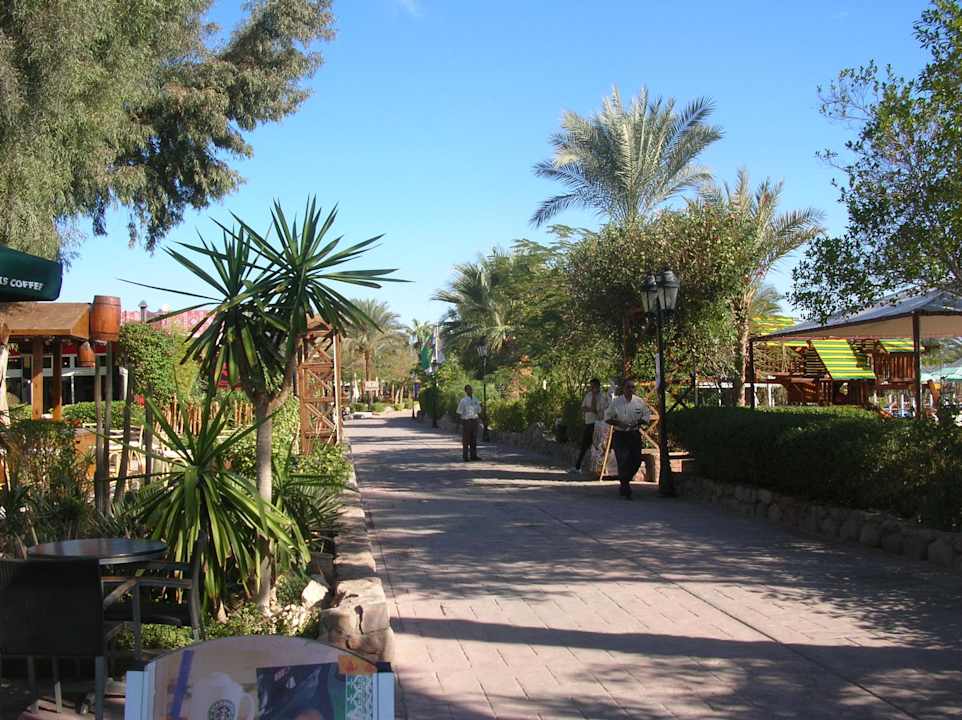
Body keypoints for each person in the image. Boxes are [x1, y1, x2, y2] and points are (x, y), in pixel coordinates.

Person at [604, 379, 651, 499]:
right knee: (623, 459)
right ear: (623, 389)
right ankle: (625, 486)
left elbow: (646, 416)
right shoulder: (616, 402)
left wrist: (637, 422)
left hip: (633, 434)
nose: (630, 389)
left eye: (632, 387)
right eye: (628, 387)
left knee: (636, 460)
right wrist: (618, 423)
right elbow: (607, 417)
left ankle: (625, 480)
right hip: (620, 435)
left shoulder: (639, 402)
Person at [572, 378, 609, 472]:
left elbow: (598, 410)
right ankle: (578, 466)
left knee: (598, 446)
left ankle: (599, 468)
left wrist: (593, 408)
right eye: (590, 386)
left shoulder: (602, 396)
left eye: (593, 386)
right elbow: (583, 408)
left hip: (598, 423)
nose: (591, 388)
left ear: (598, 386)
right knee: (584, 445)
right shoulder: (588, 395)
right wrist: (590, 409)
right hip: (588, 422)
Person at [456, 384, 482, 461]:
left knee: (474, 439)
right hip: (467, 421)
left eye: (471, 389)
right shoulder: (463, 401)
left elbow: (479, 410)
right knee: (466, 440)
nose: (470, 390)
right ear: (465, 391)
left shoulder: (476, 399)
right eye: (468, 389)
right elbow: (459, 412)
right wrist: (459, 424)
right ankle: (465, 456)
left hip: (474, 420)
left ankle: (474, 456)